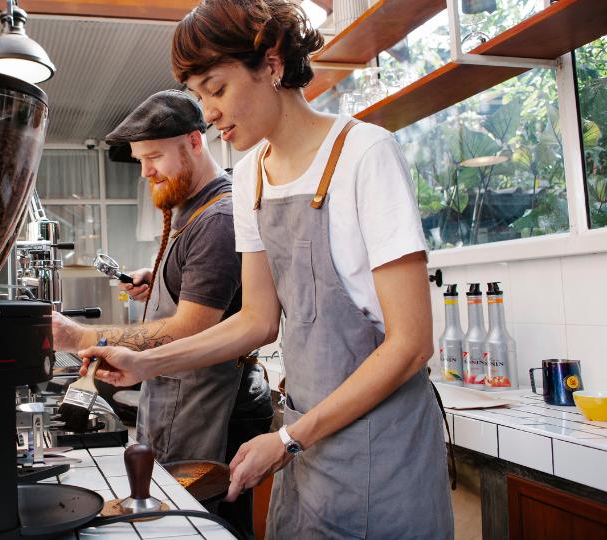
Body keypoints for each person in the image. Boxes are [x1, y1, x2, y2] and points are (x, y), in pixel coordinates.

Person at [76, 1, 454, 538]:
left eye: (217, 88)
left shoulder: (366, 155)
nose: (207, 112)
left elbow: (411, 342)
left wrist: (288, 439)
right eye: (199, 95)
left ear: (272, 63)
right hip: (306, 439)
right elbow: (257, 320)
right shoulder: (250, 174)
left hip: (381, 442)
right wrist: (146, 364)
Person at [52, 89, 272, 538]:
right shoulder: (192, 208)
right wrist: (160, 285)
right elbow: (201, 296)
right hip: (180, 402)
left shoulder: (217, 218)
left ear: (194, 141)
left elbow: (190, 329)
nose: (146, 170)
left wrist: (81, 339)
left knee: (209, 528)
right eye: (139, 160)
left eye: (154, 156)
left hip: (213, 407)